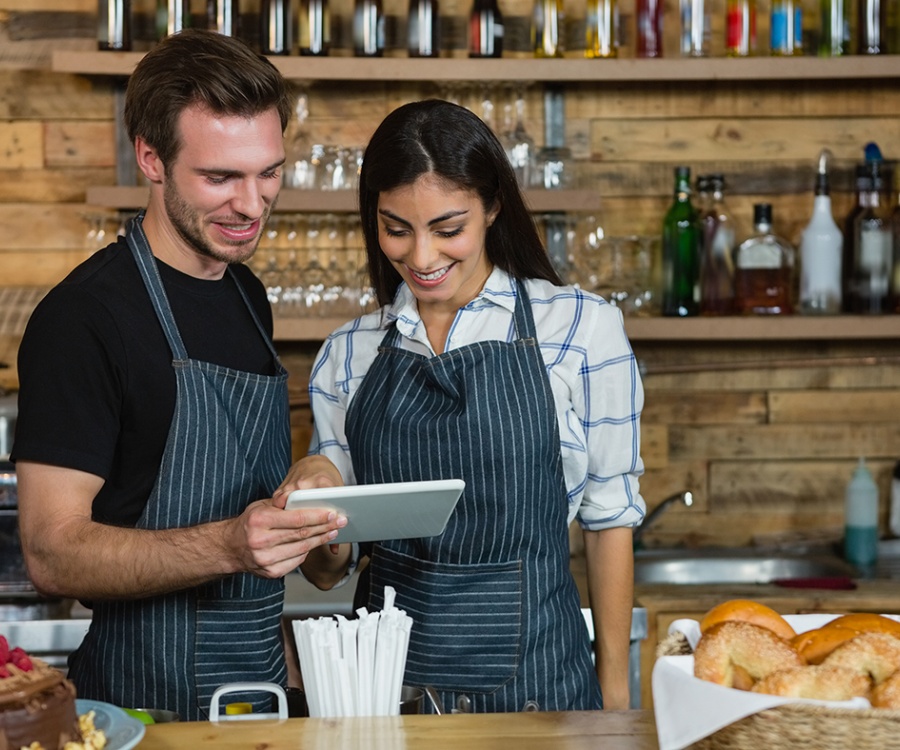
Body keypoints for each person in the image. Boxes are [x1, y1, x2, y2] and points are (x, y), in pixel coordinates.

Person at [12, 29, 345, 721]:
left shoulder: (248, 297)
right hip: (139, 704)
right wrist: (229, 544)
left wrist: (317, 512)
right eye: (221, 178)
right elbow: (51, 552)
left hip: (258, 697)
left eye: (269, 172)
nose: (252, 206)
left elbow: (263, 512)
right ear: (151, 158)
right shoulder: (83, 318)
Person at [300, 99, 646, 712]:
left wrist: (615, 698)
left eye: (448, 229)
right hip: (385, 695)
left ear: (492, 207)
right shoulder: (347, 353)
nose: (422, 258)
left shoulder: (582, 329)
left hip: (543, 686)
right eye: (396, 229)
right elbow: (330, 569)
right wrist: (314, 516)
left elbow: (610, 518)